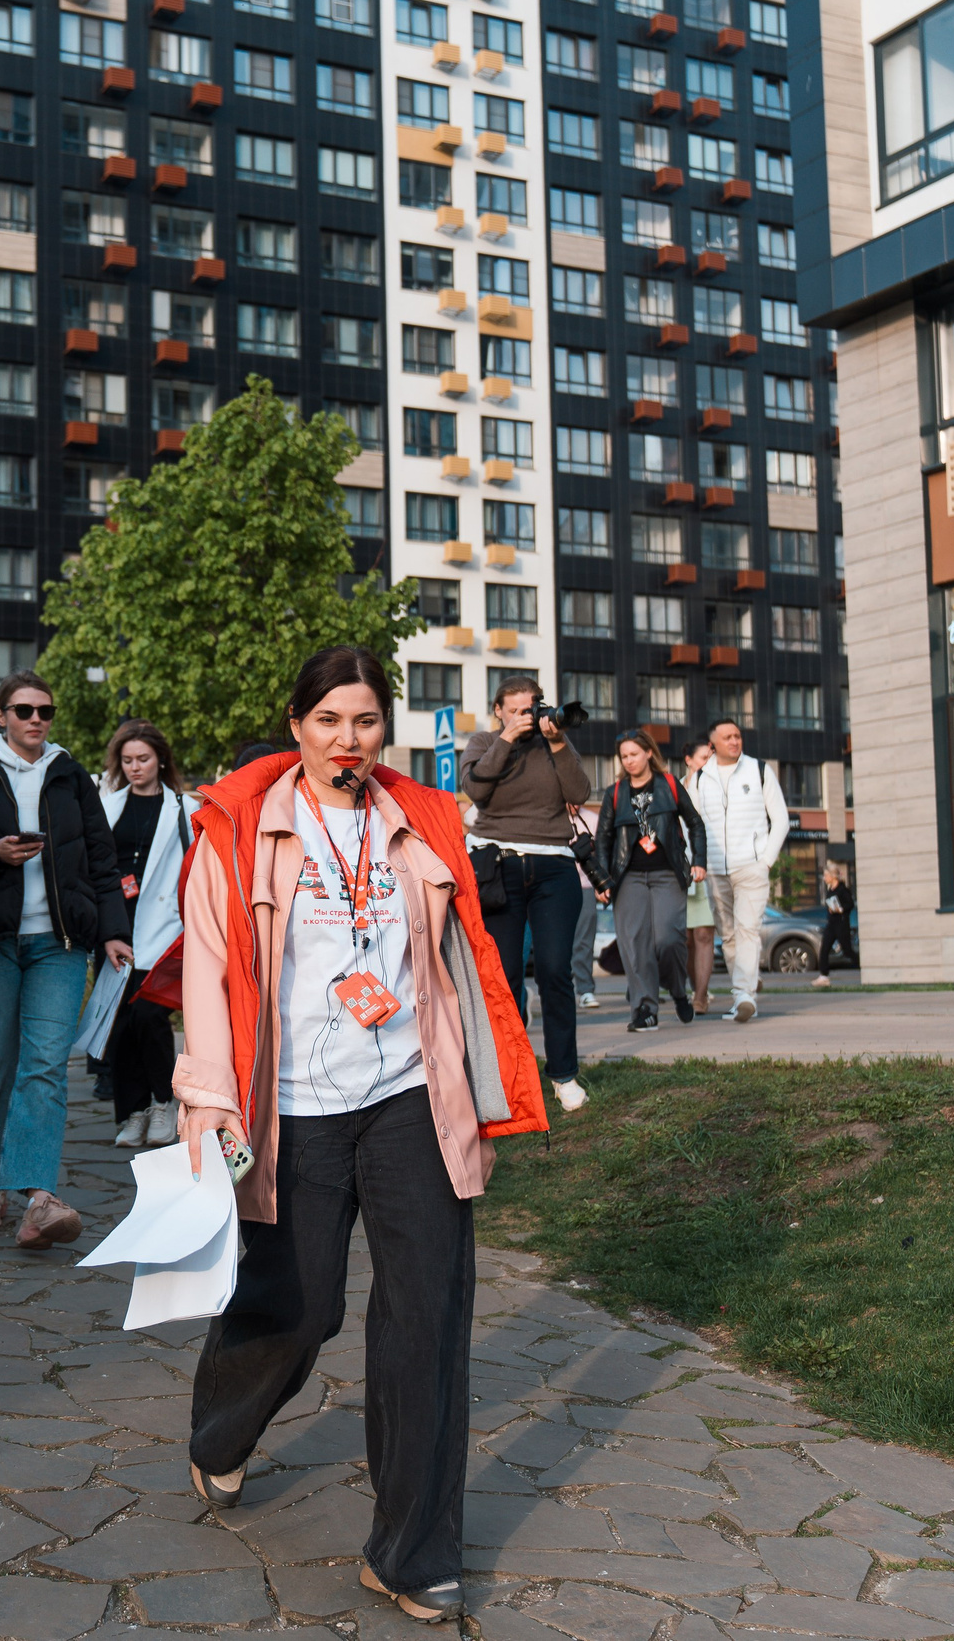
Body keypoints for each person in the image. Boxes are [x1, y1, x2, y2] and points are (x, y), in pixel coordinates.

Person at [173, 646, 544, 1626]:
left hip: (409, 1096)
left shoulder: (419, 824)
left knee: (426, 1322)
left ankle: (411, 1554)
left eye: (366, 722)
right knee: (297, 1309)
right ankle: (222, 1431)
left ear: (387, 728)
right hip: (289, 1106)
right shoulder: (238, 830)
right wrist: (208, 1098)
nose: (348, 740)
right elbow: (209, 972)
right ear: (295, 723)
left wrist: (479, 1090)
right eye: (329, 721)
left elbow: (459, 959)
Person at [0, 672, 134, 1248]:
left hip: (59, 947)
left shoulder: (70, 780)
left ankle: (38, 1200)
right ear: (0, 717)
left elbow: (100, 859)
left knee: (43, 1067)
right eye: (23, 710)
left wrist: (113, 931)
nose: (35, 719)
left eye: (45, 710)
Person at [461, 676, 594, 1112]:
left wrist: (557, 744)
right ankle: (509, 1076)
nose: (527, 715)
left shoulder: (552, 744)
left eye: (532, 707)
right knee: (505, 977)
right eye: (516, 709)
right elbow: (476, 789)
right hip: (498, 867)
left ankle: (563, 1074)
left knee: (556, 971)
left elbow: (580, 793)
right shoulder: (483, 741)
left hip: (554, 867)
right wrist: (506, 739)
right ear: (498, 710)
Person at [96, 719, 200, 1148]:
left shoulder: (185, 807)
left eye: (143, 759)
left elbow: (200, 868)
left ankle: (163, 1102)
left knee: (150, 1018)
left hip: (166, 931)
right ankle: (132, 1112)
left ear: (160, 760)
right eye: (127, 760)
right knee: (119, 1027)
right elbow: (97, 868)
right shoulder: (108, 805)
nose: (136, 767)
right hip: (117, 931)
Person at [588, 732, 704, 1033]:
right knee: (635, 945)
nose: (629, 761)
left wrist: (700, 861)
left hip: (668, 873)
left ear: (649, 753)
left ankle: (678, 990)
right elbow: (603, 838)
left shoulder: (669, 785)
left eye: (634, 754)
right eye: (624, 756)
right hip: (628, 878)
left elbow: (695, 823)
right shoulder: (615, 793)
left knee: (668, 939)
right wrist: (602, 880)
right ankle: (645, 1009)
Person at [692, 719, 788, 1024]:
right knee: (729, 936)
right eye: (727, 737)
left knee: (747, 929)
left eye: (737, 736)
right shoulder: (698, 779)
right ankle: (742, 995)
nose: (734, 741)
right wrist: (697, 861)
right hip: (716, 871)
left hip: (752, 867)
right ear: (713, 745)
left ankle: (745, 995)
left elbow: (781, 820)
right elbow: (691, 825)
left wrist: (766, 861)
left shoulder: (759, 770)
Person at [678, 737, 717, 1013]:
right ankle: (694, 989)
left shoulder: (718, 788)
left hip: (711, 869)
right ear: (689, 760)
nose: (709, 763)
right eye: (704, 757)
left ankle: (701, 997)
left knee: (704, 934)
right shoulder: (674, 788)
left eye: (711, 757)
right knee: (687, 939)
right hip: (682, 869)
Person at [568, 804, 601, 1011]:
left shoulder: (592, 819)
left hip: (586, 885)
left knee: (584, 941)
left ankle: (585, 989)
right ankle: (560, 992)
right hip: (556, 885)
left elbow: (600, 852)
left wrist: (600, 883)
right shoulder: (550, 815)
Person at [811, 862, 856, 988]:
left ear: (833, 876)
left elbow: (850, 904)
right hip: (831, 923)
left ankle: (861, 967)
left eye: (826, 875)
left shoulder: (843, 890)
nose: (824, 878)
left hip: (841, 923)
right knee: (824, 948)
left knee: (847, 950)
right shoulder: (830, 890)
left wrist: (840, 909)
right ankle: (824, 977)